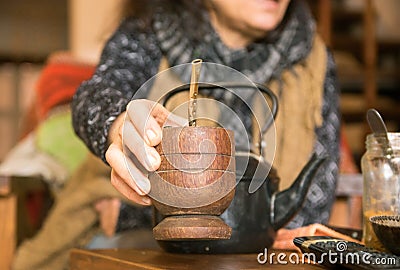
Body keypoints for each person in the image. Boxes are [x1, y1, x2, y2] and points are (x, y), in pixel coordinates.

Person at [72, 0, 340, 237]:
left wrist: (127, 216)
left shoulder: (313, 60)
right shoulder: (149, 30)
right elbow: (92, 96)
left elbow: (314, 203)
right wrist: (118, 125)